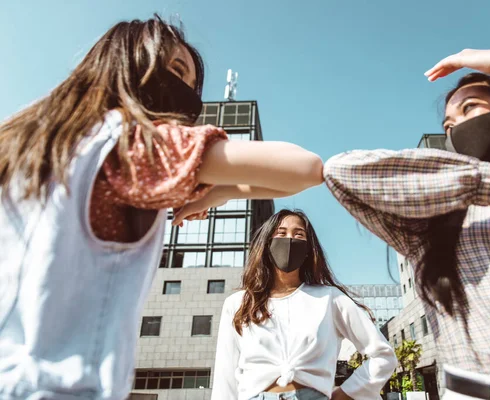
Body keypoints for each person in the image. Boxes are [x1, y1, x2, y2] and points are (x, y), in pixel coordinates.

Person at [0, 16, 323, 400]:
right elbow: (304, 168)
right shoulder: (135, 145)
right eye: (175, 70)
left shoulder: (28, 148)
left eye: (191, 84)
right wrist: (220, 193)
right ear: (129, 61)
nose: (186, 91)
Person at [324, 42, 490, 399]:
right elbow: (341, 172)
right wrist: (486, 185)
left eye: (470, 108)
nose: (456, 129)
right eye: (448, 125)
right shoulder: (434, 227)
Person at [211, 209, 396, 400]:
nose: (289, 240)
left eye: (299, 234)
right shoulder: (239, 303)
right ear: (266, 244)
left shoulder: (330, 298)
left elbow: (383, 355)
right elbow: (225, 375)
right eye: (281, 233)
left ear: (309, 249)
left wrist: (345, 393)